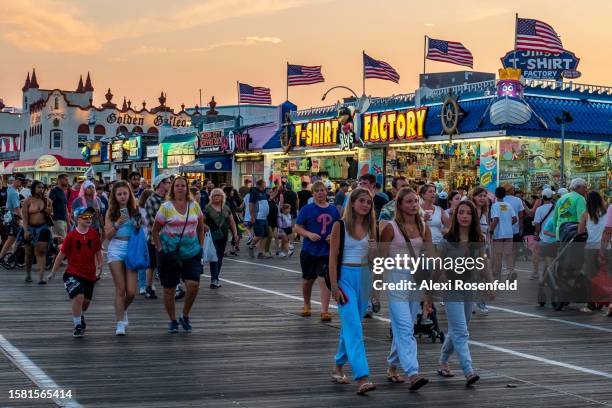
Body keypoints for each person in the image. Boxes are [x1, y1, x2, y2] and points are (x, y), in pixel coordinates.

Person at [380, 187, 431, 391]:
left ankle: (392, 366)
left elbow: (431, 256)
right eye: (408, 201)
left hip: (416, 277)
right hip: (396, 277)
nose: (413, 205)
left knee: (407, 325)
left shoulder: (423, 226)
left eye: (415, 201)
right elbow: (380, 259)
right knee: (403, 326)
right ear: (399, 205)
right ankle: (413, 372)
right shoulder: (390, 228)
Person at [328, 187, 377, 395]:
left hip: (364, 276)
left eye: (369, 202)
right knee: (355, 327)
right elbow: (332, 257)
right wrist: (334, 286)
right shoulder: (339, 225)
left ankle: (338, 365)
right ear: (353, 202)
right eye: (362, 201)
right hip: (345, 277)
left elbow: (374, 261)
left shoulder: (371, 227)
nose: (365, 205)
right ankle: (362, 377)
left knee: (350, 324)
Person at [437, 200, 486, 387]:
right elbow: (438, 266)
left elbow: (483, 263)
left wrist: (489, 284)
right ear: (455, 216)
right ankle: (468, 370)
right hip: (451, 288)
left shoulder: (478, 240)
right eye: (461, 212)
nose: (464, 216)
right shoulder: (447, 240)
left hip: (470, 287)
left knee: (459, 327)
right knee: (461, 331)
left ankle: (442, 361)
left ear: (473, 217)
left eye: (468, 213)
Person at [152, 176, 206, 333]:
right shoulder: (166, 207)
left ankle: (185, 315)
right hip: (170, 253)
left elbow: (201, 227)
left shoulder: (194, 205)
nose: (180, 188)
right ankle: (173, 320)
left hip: (191, 252)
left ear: (187, 188)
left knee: (193, 285)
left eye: (183, 185)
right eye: (177, 185)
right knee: (169, 289)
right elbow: (155, 230)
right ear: (172, 189)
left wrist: (201, 246)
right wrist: (160, 249)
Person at [48, 206, 102, 337]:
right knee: (78, 297)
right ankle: (77, 324)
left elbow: (98, 253)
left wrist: (100, 267)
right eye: (86, 216)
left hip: (89, 273)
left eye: (91, 216)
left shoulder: (94, 234)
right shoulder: (71, 236)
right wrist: (53, 272)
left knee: (86, 302)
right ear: (78, 219)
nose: (89, 219)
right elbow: (61, 255)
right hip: (73, 272)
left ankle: (81, 314)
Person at [295, 181, 340, 321]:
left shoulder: (333, 210)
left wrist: (333, 236)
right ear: (313, 194)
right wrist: (308, 234)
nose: (320, 193)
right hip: (309, 250)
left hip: (326, 251)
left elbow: (339, 227)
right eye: (317, 191)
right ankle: (307, 304)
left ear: (326, 192)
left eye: (322, 190)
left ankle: (324, 310)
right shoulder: (306, 209)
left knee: (324, 279)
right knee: (308, 280)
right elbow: (297, 227)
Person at [104, 181, 141, 336]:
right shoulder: (110, 212)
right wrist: (118, 224)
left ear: (129, 194)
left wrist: (138, 223)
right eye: (119, 194)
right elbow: (108, 236)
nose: (122, 196)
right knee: (121, 289)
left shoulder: (135, 209)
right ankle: (120, 323)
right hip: (116, 248)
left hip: (131, 248)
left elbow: (140, 228)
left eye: (125, 193)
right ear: (114, 196)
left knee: (131, 292)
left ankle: (123, 309)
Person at [577, 190, 608, 313]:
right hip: (607, 247)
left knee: (591, 276)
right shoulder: (607, 213)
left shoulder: (585, 214)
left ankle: (591, 304)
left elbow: (579, 231)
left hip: (591, 249)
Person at [144, 174, 172, 300]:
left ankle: (173, 287)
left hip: (168, 237)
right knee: (153, 264)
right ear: (161, 183)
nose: (170, 184)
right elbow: (151, 221)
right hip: (154, 238)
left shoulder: (167, 199)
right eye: (168, 182)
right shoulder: (152, 199)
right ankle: (149, 287)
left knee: (164, 264)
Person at [204, 188, 238, 288]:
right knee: (213, 257)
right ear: (211, 197)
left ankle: (216, 277)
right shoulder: (208, 208)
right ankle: (214, 279)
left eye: (218, 195)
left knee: (219, 257)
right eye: (214, 195)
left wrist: (235, 234)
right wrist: (205, 227)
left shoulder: (226, 208)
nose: (216, 197)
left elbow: (232, 222)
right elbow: (201, 221)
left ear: (222, 197)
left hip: (223, 234)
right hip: (212, 235)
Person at [21, 180, 53, 284]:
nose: (41, 189)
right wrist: (25, 231)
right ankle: (28, 274)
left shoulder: (47, 201)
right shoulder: (27, 201)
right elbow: (25, 218)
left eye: (42, 187)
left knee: (41, 252)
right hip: (30, 228)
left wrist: (49, 212)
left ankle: (41, 277)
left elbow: (51, 216)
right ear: (33, 188)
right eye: (39, 187)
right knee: (29, 253)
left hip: (43, 228)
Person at [470, 187, 491, 315]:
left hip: (483, 247)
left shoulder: (484, 212)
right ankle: (471, 300)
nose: (482, 198)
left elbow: (486, 231)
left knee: (483, 275)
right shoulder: (469, 211)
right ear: (473, 197)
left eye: (484, 195)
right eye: (479, 196)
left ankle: (480, 301)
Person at [489, 187, 517, 280]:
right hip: (509, 233)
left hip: (498, 234)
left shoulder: (495, 206)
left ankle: (497, 276)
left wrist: (491, 230)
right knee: (508, 254)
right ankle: (511, 272)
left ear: (496, 195)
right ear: (505, 195)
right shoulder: (508, 205)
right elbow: (515, 219)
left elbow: (496, 219)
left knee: (498, 255)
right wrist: (508, 224)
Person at [0, 174, 25, 264]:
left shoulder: (11, 189)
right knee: (15, 239)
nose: (22, 183)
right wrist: (24, 219)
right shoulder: (13, 192)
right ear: (16, 180)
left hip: (11, 217)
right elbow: (17, 209)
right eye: (21, 181)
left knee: (12, 239)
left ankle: (6, 257)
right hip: (13, 218)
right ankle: (10, 257)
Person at [532, 188, 555, 280]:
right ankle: (549, 273)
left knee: (535, 252)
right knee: (550, 256)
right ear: (551, 197)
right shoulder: (556, 208)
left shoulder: (539, 209)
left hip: (543, 237)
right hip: (554, 237)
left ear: (542, 197)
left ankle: (536, 272)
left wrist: (537, 235)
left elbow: (537, 224)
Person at [137, 190, 154, 296]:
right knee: (143, 262)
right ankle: (142, 285)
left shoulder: (153, 207)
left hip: (152, 236)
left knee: (152, 262)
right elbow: (136, 223)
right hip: (141, 236)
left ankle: (149, 283)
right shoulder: (139, 209)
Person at [248, 180, 269, 259]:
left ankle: (261, 252)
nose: (265, 185)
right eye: (264, 184)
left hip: (264, 218)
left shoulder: (263, 192)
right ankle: (251, 246)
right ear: (260, 185)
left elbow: (270, 198)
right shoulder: (254, 192)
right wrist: (252, 216)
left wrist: (277, 190)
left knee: (265, 235)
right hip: (258, 217)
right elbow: (251, 205)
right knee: (259, 235)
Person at [49, 173, 69, 243]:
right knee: (62, 242)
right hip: (57, 220)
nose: (67, 181)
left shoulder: (63, 192)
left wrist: (68, 220)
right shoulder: (54, 191)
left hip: (63, 220)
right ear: (60, 180)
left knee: (63, 241)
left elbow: (65, 207)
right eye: (66, 180)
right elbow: (49, 204)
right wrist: (51, 215)